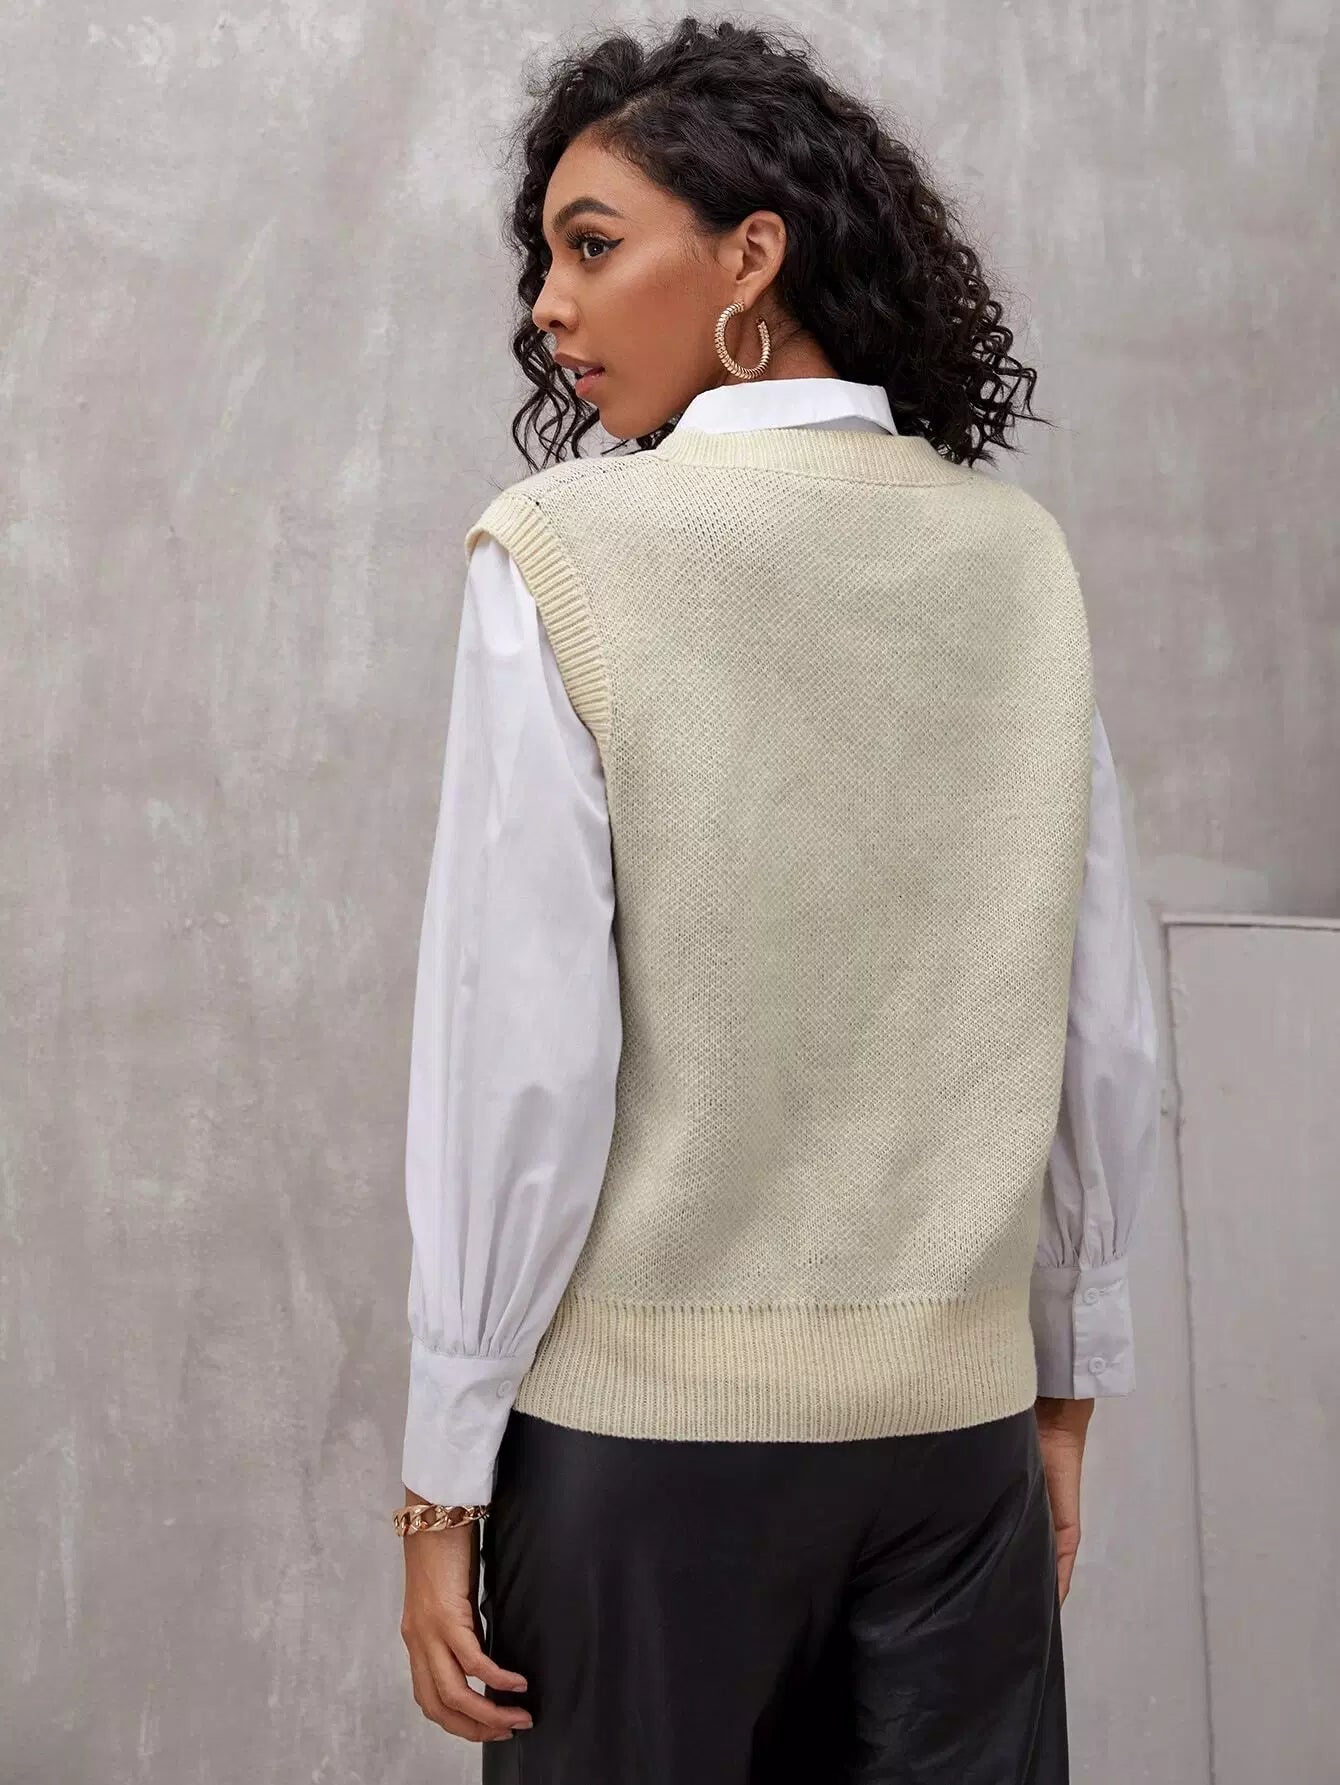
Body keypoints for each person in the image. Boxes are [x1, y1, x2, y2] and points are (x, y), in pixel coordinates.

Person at [395, 17, 1160, 1782]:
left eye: (593, 245)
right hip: (953, 1446)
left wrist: (442, 1475)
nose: (549, 307)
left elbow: (523, 1053)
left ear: (753, 256)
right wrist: (1064, 1378)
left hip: (648, 1457)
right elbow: (1097, 1015)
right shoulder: (1014, 559)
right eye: (543, 261)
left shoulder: (564, 552)